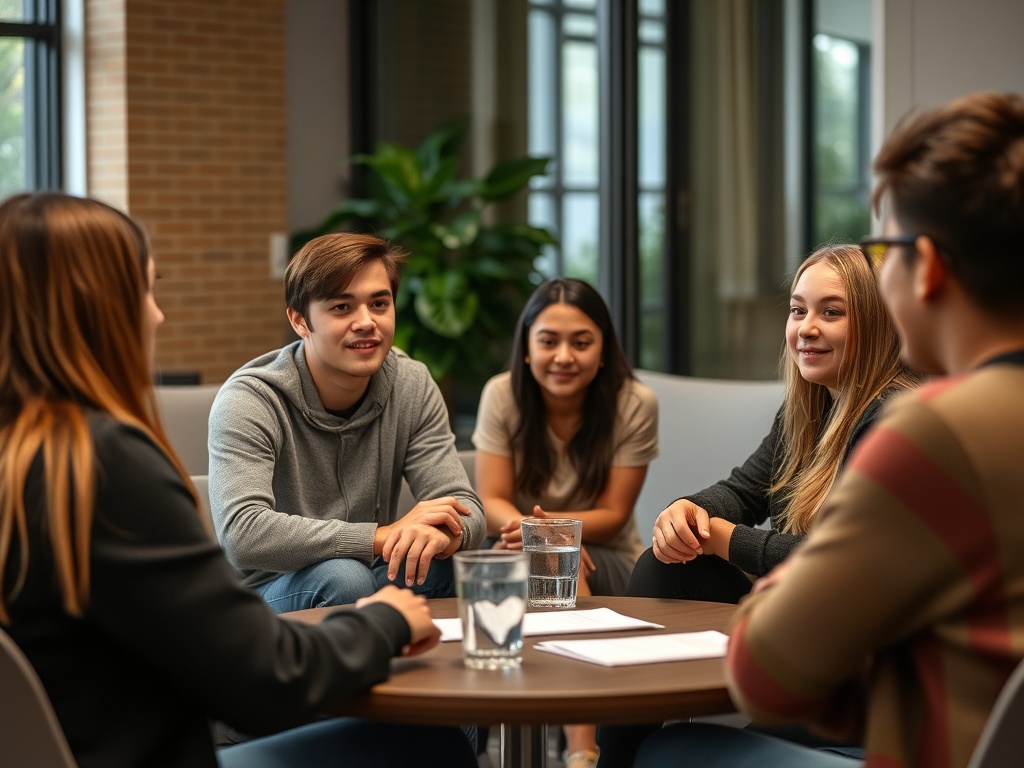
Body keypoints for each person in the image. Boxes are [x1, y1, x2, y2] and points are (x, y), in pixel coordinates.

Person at [0, 192, 477, 768]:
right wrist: (385, 622)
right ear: (94, 307)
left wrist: (441, 530)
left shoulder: (33, 454)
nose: (157, 315)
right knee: (431, 738)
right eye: (145, 290)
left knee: (434, 565)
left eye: (379, 303)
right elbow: (262, 670)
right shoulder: (105, 465)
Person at [635, 90, 1024, 767]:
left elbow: (770, 680)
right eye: (798, 310)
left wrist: (785, 581)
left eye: (887, 249)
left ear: (925, 266)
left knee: (676, 752)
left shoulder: (933, 434)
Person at [598, 242, 922, 766]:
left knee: (671, 753)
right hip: (815, 637)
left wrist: (724, 539)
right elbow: (741, 491)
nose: (806, 327)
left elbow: (837, 563)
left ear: (880, 324)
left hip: (869, 676)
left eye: (831, 312)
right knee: (666, 560)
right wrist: (686, 511)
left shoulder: (894, 417)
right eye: (798, 310)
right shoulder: (808, 409)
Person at [208, 232, 485, 612]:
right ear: (300, 320)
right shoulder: (250, 399)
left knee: (453, 563)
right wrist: (380, 537)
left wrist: (444, 535)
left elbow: (465, 506)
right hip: (269, 593)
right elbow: (243, 533)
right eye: (342, 307)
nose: (366, 322)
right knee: (344, 577)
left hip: (369, 575)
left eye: (379, 303)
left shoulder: (411, 383)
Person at [472, 277, 659, 768]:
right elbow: (490, 498)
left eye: (581, 342)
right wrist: (531, 535)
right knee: (549, 559)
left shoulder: (634, 402)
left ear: (602, 351)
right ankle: (574, 750)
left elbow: (614, 514)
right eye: (549, 341)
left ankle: (581, 749)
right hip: (513, 543)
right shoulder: (502, 396)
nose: (563, 356)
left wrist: (550, 537)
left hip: (611, 557)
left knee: (558, 561)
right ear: (528, 350)